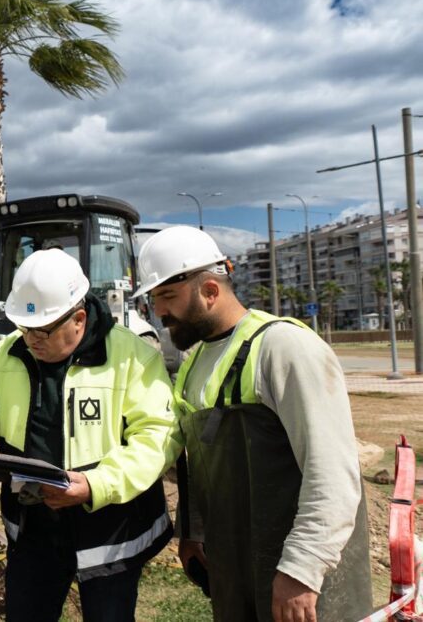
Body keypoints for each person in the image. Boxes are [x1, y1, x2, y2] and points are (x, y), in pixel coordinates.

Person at [135, 225, 371, 622]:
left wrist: (302, 569)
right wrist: (193, 532)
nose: (159, 312)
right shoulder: (194, 363)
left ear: (210, 290)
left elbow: (332, 472)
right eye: (156, 299)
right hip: (236, 570)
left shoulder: (283, 348)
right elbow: (201, 459)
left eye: (168, 296)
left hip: (301, 579)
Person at [0, 248, 179, 621]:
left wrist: (96, 485)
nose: (31, 340)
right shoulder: (11, 351)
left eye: (42, 330)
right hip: (33, 529)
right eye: (24, 327)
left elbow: (158, 437)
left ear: (78, 319)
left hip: (110, 532)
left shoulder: (132, 356)